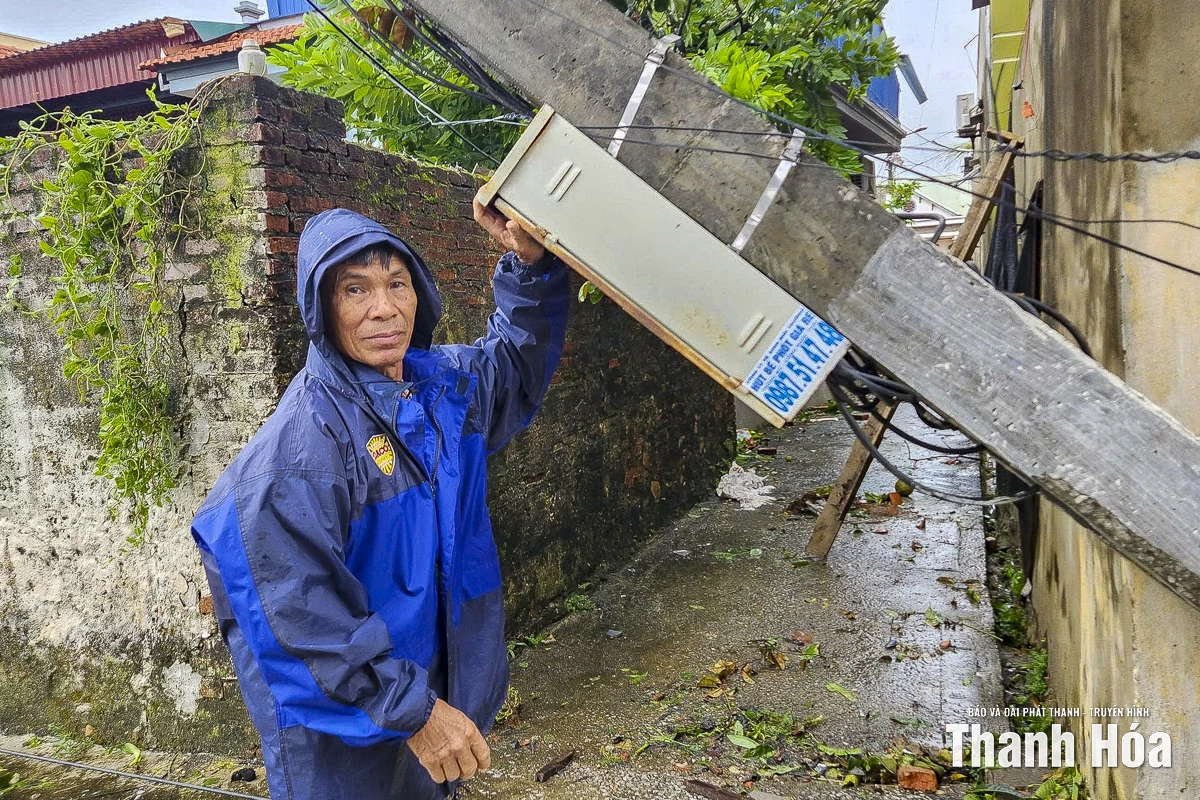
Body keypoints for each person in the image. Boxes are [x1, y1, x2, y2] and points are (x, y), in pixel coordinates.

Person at [189, 201, 570, 799]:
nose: (384, 307)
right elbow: (292, 619)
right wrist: (412, 711)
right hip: (348, 737)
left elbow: (515, 367)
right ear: (322, 309)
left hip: (432, 697)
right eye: (355, 289)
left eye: (397, 283)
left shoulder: (441, 388)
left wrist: (529, 265)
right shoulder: (299, 448)